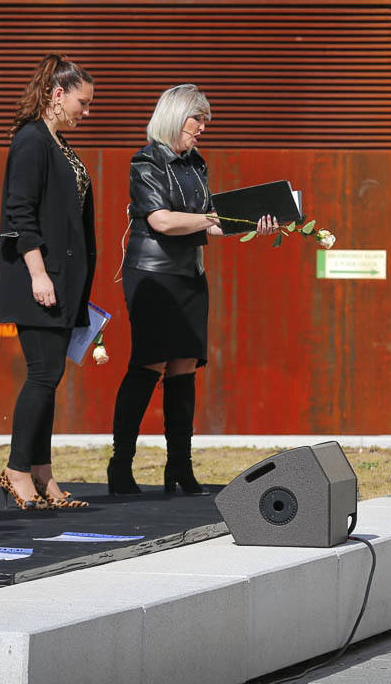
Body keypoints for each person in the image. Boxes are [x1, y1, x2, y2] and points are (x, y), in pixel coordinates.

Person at [105, 84, 278, 496]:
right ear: (174, 115)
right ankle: (120, 466)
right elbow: (162, 221)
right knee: (150, 364)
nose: (203, 128)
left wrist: (252, 225)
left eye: (206, 121)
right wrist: (211, 219)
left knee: (184, 368)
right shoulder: (146, 161)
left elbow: (211, 224)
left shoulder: (197, 164)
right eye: (197, 119)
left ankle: (179, 468)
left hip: (190, 275)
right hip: (152, 275)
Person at [0, 53, 98, 510]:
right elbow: (20, 213)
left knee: (49, 377)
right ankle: (16, 470)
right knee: (43, 375)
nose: (86, 112)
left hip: (63, 282)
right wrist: (38, 273)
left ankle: (42, 474)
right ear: (57, 95)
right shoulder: (32, 141)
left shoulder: (58, 144)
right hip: (40, 280)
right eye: (83, 102)